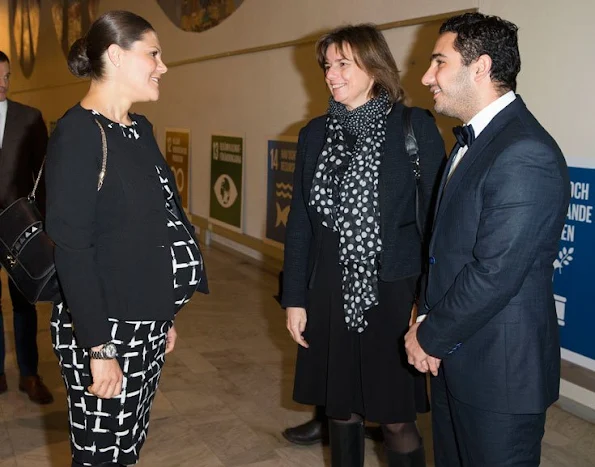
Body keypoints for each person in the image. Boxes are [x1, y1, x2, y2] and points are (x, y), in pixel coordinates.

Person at [404, 12, 570, 467]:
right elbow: (443, 250)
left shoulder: (524, 151)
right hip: (455, 361)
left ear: (479, 67)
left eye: (439, 62)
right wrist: (425, 315)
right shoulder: (470, 141)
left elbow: (496, 273)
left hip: (500, 375)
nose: (426, 76)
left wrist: (429, 336)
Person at [45, 11, 208, 467]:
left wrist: (163, 312)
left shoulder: (139, 129)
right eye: (154, 54)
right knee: (100, 455)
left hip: (145, 322)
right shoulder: (78, 134)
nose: (163, 66)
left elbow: (152, 228)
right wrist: (99, 348)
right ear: (116, 56)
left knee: (126, 448)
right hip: (104, 329)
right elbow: (74, 250)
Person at [283, 24, 445, 466]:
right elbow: (301, 221)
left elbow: (438, 225)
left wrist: (426, 302)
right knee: (341, 410)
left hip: (393, 293)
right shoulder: (314, 134)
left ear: (374, 68)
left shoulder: (413, 129)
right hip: (329, 291)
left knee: (395, 419)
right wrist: (295, 297)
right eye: (327, 66)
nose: (331, 75)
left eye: (342, 64)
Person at [0, 50, 54, 405]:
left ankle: (30, 375)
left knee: (24, 302)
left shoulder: (29, 118)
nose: (3, 83)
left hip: (18, 228)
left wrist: (47, 226)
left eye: (7, 76)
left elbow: (44, 176)